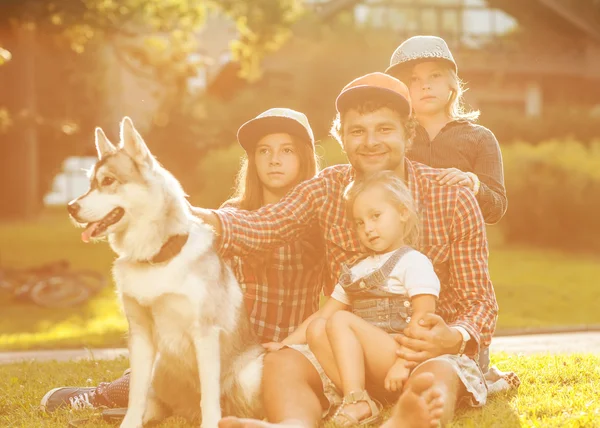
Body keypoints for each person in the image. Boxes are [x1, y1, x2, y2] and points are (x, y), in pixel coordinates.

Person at [192, 71, 502, 428]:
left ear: (408, 133)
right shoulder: (327, 188)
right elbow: (268, 224)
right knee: (281, 362)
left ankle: (407, 419)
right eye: (357, 131)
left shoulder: (451, 196)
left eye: (384, 129)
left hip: (429, 351)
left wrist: (453, 336)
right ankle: (292, 424)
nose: (370, 142)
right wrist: (200, 218)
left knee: (435, 375)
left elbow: (479, 300)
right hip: (347, 353)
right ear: (341, 137)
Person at [39, 107, 330, 413]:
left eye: (287, 150)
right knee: (165, 363)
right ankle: (110, 397)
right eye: (264, 151)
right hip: (219, 344)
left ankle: (142, 401)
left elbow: (338, 298)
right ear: (253, 160)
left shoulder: (317, 225)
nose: (274, 159)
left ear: (304, 158)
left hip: (277, 354)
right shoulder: (231, 213)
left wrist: (296, 341)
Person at [265, 171, 442, 426]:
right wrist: (286, 345)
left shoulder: (413, 262)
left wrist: (403, 363)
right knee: (318, 327)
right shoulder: (358, 269)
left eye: (376, 216)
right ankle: (360, 398)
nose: (368, 228)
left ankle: (357, 402)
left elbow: (424, 319)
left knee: (340, 320)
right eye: (360, 223)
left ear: (403, 213)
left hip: (402, 359)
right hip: (370, 371)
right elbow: (323, 315)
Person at [385, 35, 507, 225]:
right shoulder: (391, 137)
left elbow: (496, 209)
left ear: (451, 82)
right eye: (414, 79)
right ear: (402, 89)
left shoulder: (481, 138)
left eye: (435, 75)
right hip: (402, 248)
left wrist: (472, 185)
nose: (425, 85)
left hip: (460, 249)